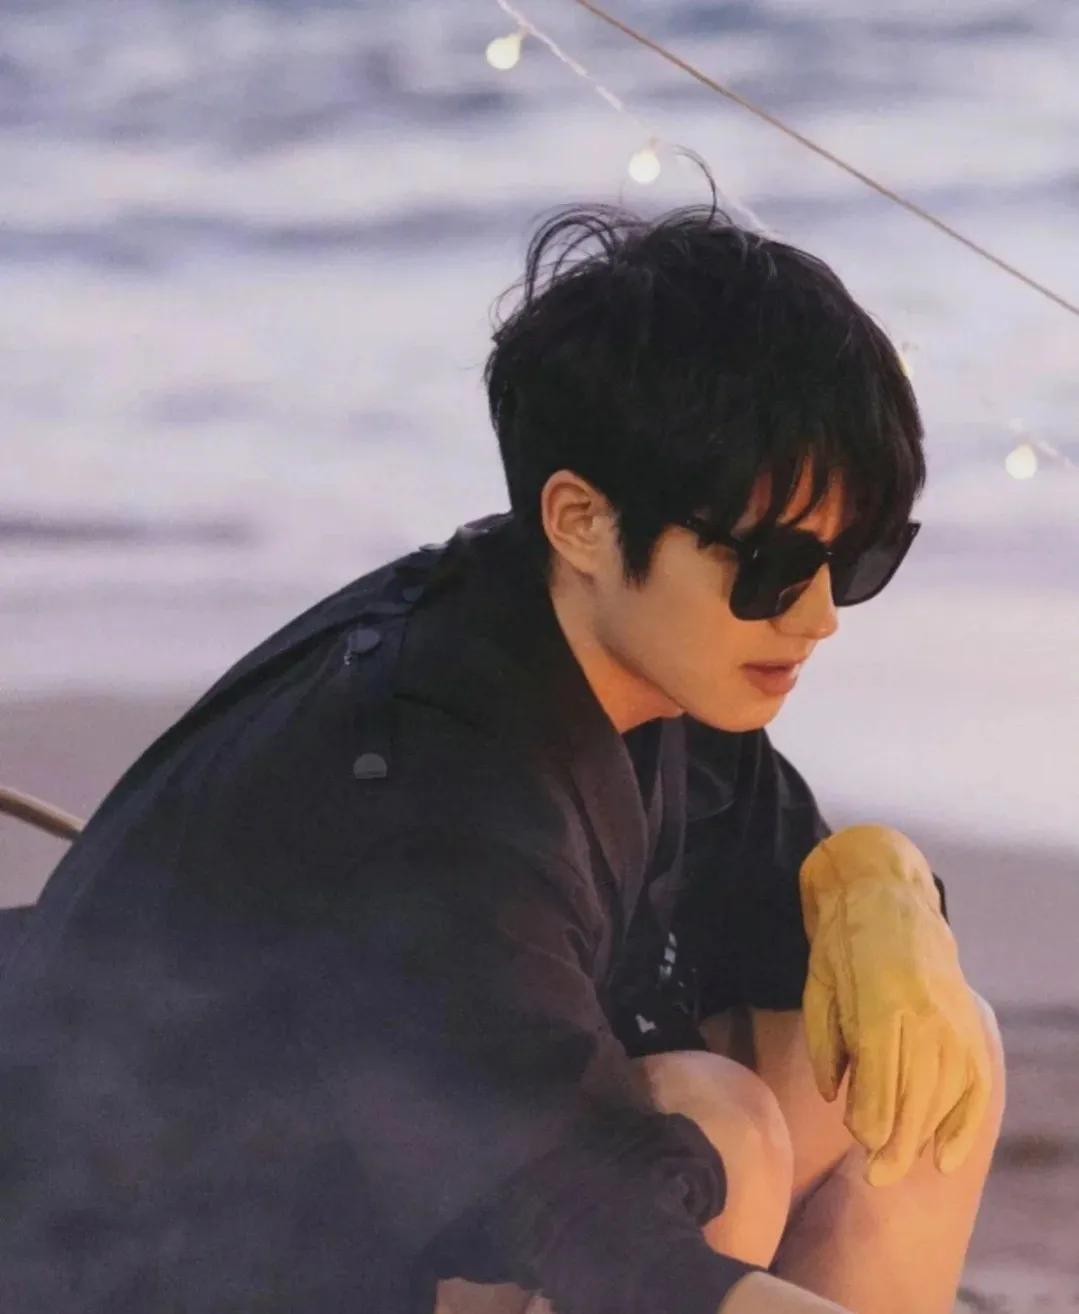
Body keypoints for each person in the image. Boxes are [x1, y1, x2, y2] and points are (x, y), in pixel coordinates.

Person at [0, 177, 1004, 1314]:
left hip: (390, 1192)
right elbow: (594, 1228)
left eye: (855, 561)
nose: (817, 617)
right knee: (708, 1128)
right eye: (772, 568)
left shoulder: (639, 664)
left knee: (921, 1051)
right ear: (582, 520)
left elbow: (788, 930)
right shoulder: (433, 793)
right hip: (167, 1267)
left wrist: (883, 890)